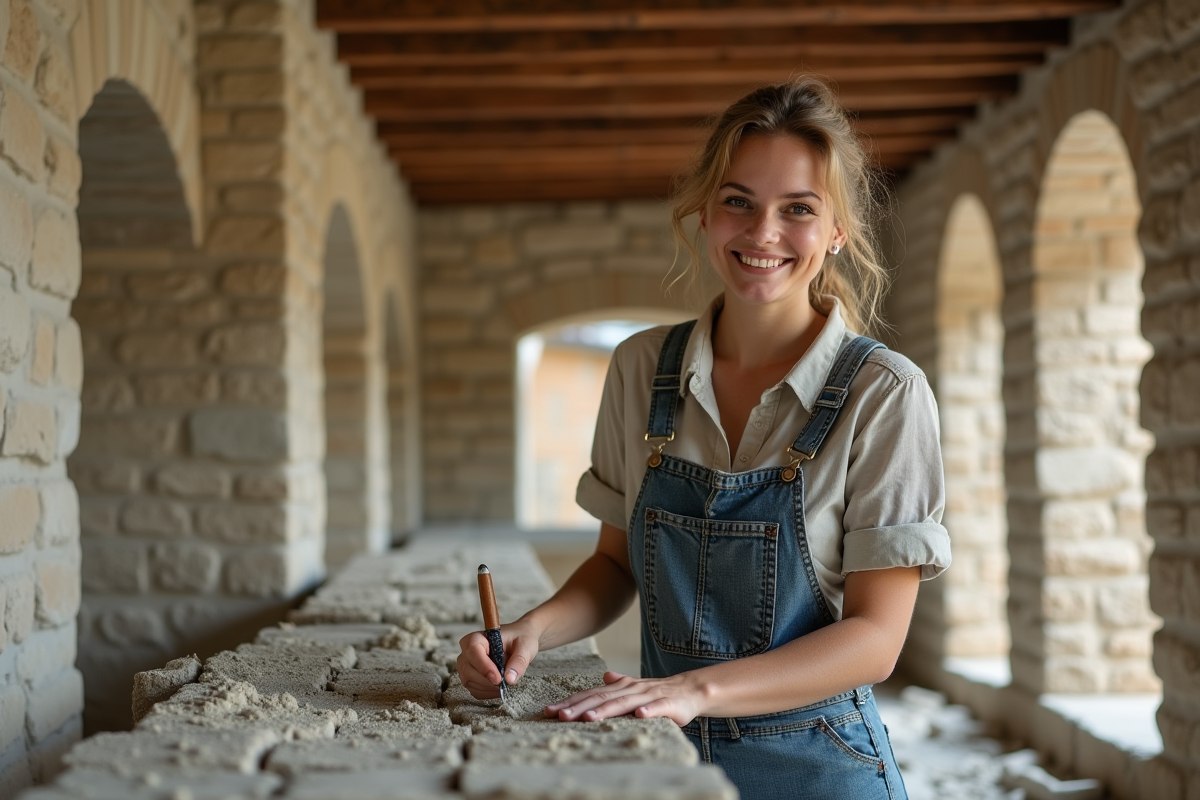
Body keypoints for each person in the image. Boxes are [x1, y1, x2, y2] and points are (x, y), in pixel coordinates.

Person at [458, 77, 951, 800]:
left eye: (798, 209)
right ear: (705, 213)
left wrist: (695, 689)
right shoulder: (639, 368)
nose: (763, 233)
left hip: (821, 764)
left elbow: (876, 640)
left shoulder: (885, 393)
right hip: (666, 757)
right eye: (738, 202)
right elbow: (616, 566)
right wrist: (529, 633)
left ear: (837, 231)